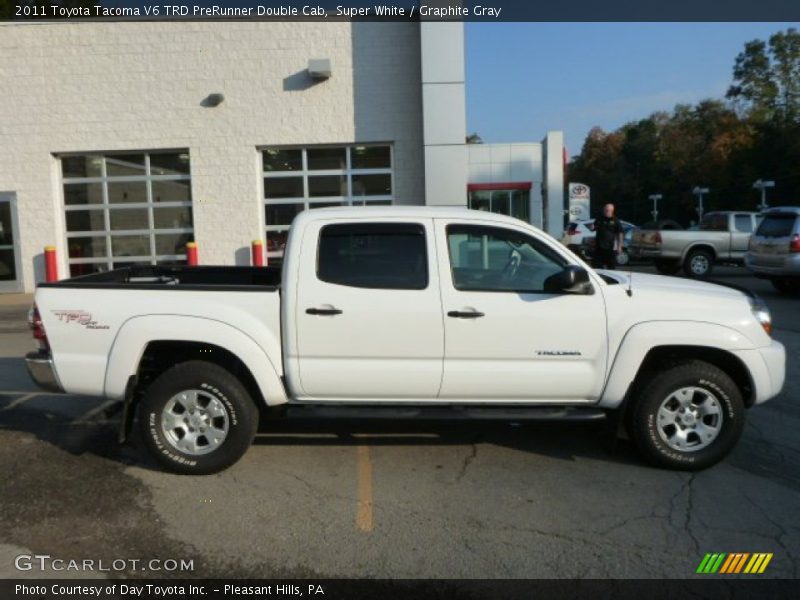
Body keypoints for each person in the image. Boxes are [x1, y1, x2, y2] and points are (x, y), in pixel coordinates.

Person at [593, 203, 624, 269]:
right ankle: (599, 278)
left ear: (612, 211)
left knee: (611, 266)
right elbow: (594, 228)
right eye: (605, 210)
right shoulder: (599, 219)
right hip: (598, 247)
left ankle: (610, 279)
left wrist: (619, 247)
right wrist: (592, 227)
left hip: (610, 248)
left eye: (607, 210)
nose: (606, 211)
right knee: (596, 266)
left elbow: (620, 233)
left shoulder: (615, 220)